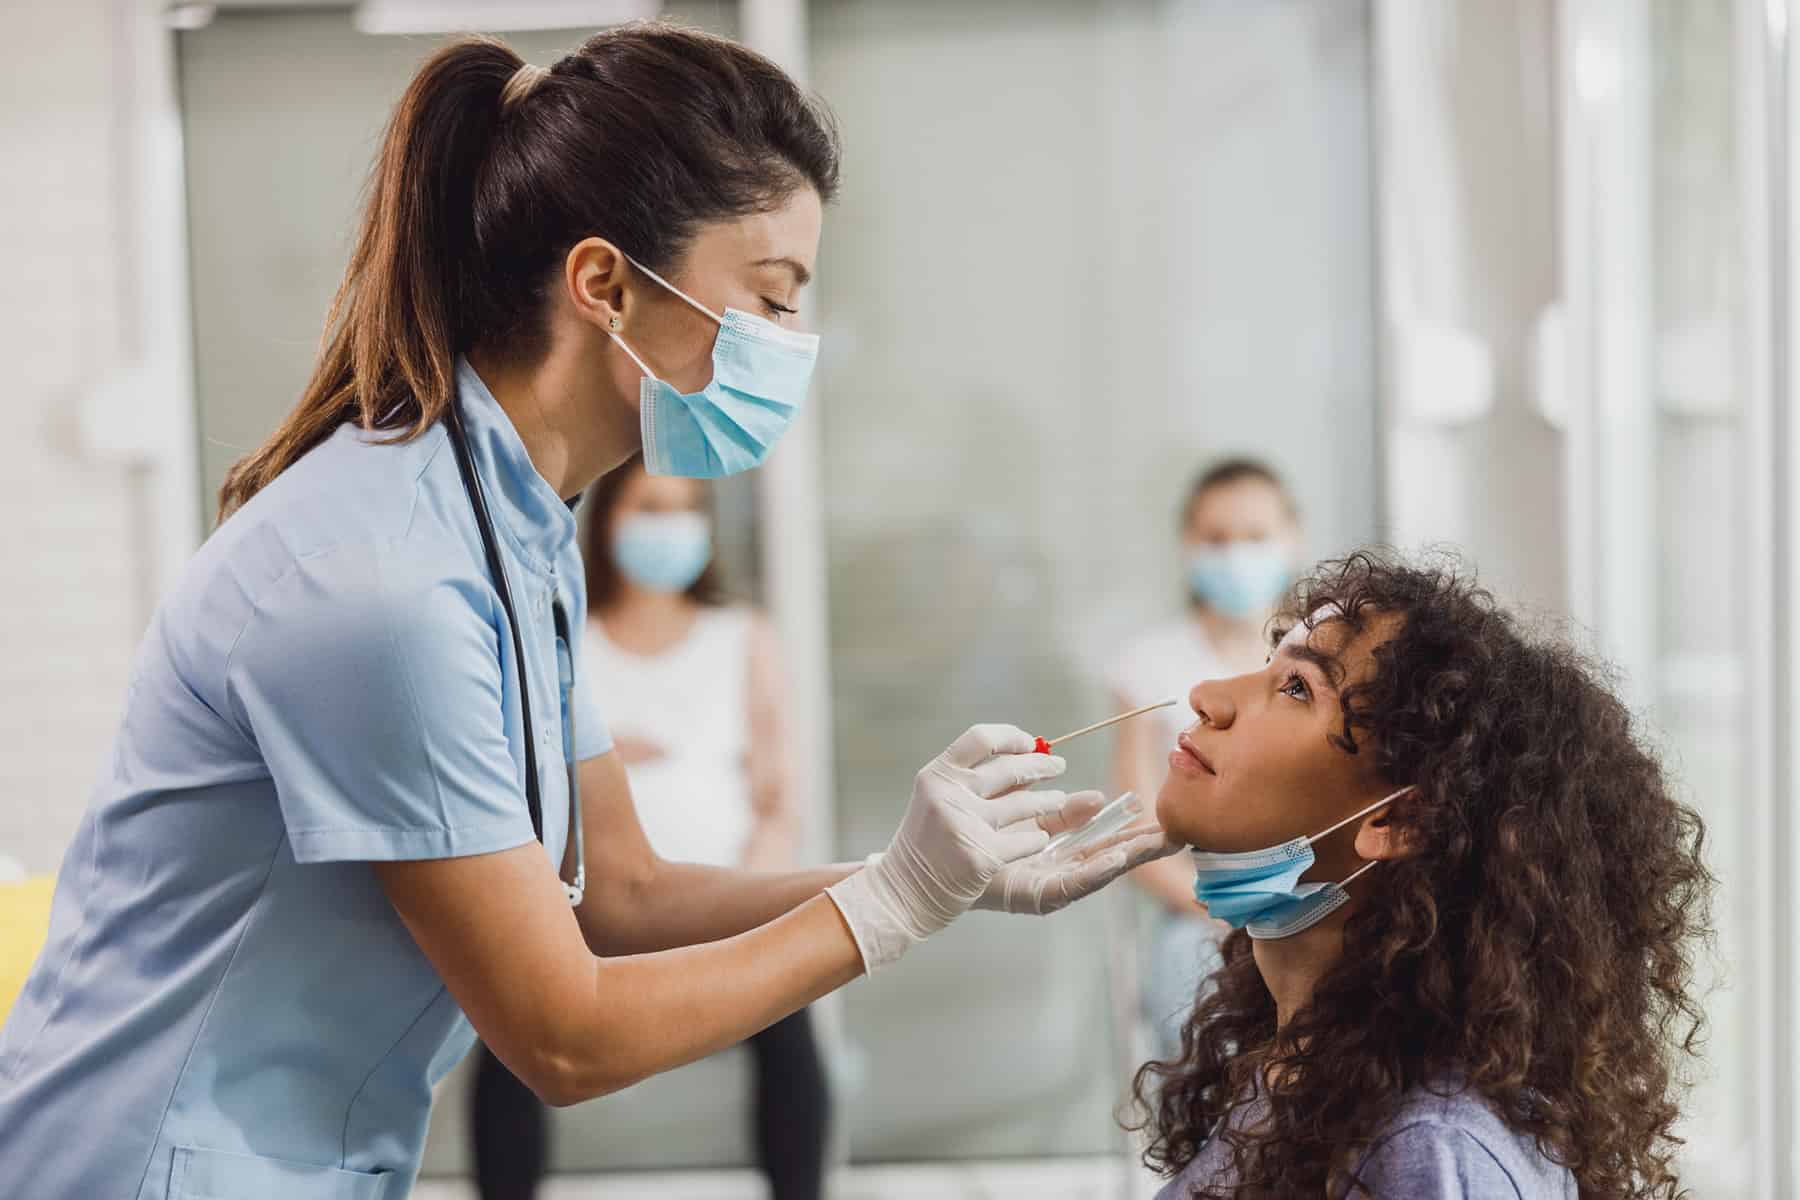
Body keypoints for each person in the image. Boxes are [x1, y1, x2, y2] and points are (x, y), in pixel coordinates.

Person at [0, 26, 1172, 1198]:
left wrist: (925, 873)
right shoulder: (388, 582)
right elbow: (563, 1034)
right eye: (767, 299)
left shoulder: (518, 527)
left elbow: (622, 895)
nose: (791, 348)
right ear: (606, 284)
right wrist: (892, 905)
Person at [1135, 551, 1711, 1198]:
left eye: (1297, 687)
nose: (1207, 697)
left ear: (1397, 820)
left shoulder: (1430, 1150)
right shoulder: (1295, 1070)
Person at [472, 460, 831, 1200]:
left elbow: (777, 797)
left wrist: (756, 893)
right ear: (607, 522)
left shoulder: (743, 638)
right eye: (651, 507)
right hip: (582, 906)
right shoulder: (564, 638)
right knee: (508, 1036)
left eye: (687, 508)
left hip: (718, 903)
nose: (671, 525)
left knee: (791, 1029)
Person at [1108, 458, 1302, 1058]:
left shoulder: (1321, 658)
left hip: (1320, 898)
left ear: (1292, 540)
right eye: (1217, 539)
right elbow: (1136, 827)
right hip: (1200, 918)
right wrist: (1227, 910)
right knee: (1201, 1008)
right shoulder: (1148, 667)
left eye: (1255, 536)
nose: (1236, 555)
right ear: (1187, 545)